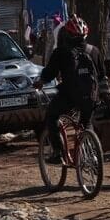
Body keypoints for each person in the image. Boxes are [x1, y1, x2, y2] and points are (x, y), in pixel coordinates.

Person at [38, 17, 104, 160]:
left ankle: (57, 152)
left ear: (66, 34)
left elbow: (49, 74)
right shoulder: (94, 51)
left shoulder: (61, 52)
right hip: (91, 97)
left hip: (69, 97)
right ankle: (92, 154)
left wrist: (40, 82)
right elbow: (101, 74)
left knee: (51, 116)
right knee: (86, 122)